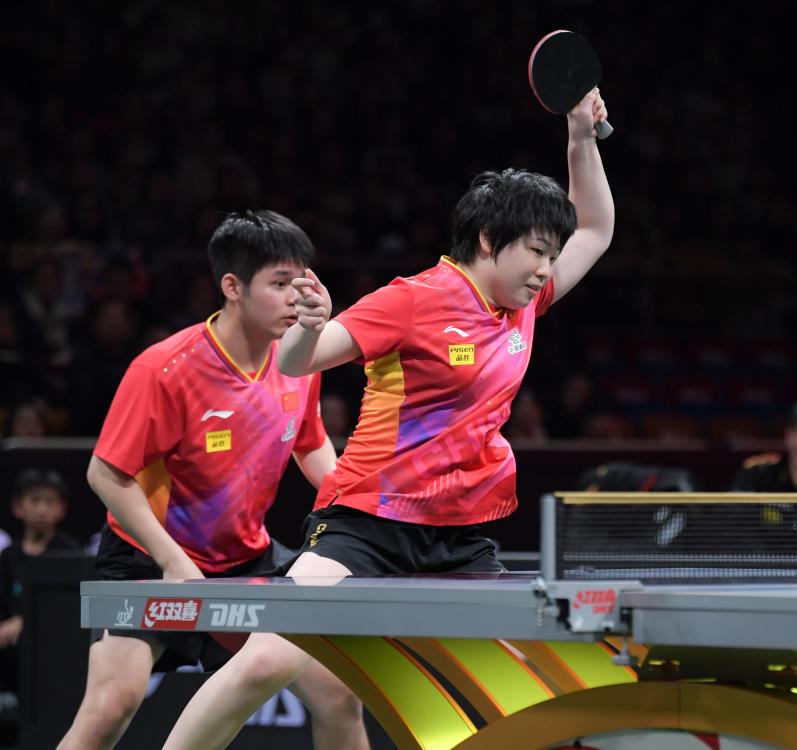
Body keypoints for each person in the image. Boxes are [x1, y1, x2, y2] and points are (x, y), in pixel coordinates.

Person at [163, 88, 612, 750]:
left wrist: (580, 138)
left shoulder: (523, 302)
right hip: (367, 523)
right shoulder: (412, 300)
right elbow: (297, 362)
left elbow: (596, 230)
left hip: (459, 535)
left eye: (553, 255)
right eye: (537, 252)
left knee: (527, 676)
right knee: (267, 659)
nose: (547, 270)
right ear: (489, 241)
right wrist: (307, 324)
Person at [57, 211, 367, 750]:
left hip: (246, 559)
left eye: (301, 283)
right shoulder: (166, 369)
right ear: (232, 287)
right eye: (279, 284)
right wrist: (173, 560)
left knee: (340, 697)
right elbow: (104, 474)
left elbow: (310, 441)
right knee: (108, 710)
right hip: (149, 560)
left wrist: (357, 505)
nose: (295, 299)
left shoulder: (298, 360)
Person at [0, 469, 80, 697]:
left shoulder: (70, 554)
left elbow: (71, 612)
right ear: (18, 507)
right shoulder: (8, 556)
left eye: (49, 502)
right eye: (34, 501)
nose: (42, 510)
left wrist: (26, 621)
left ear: (62, 509)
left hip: (53, 655)